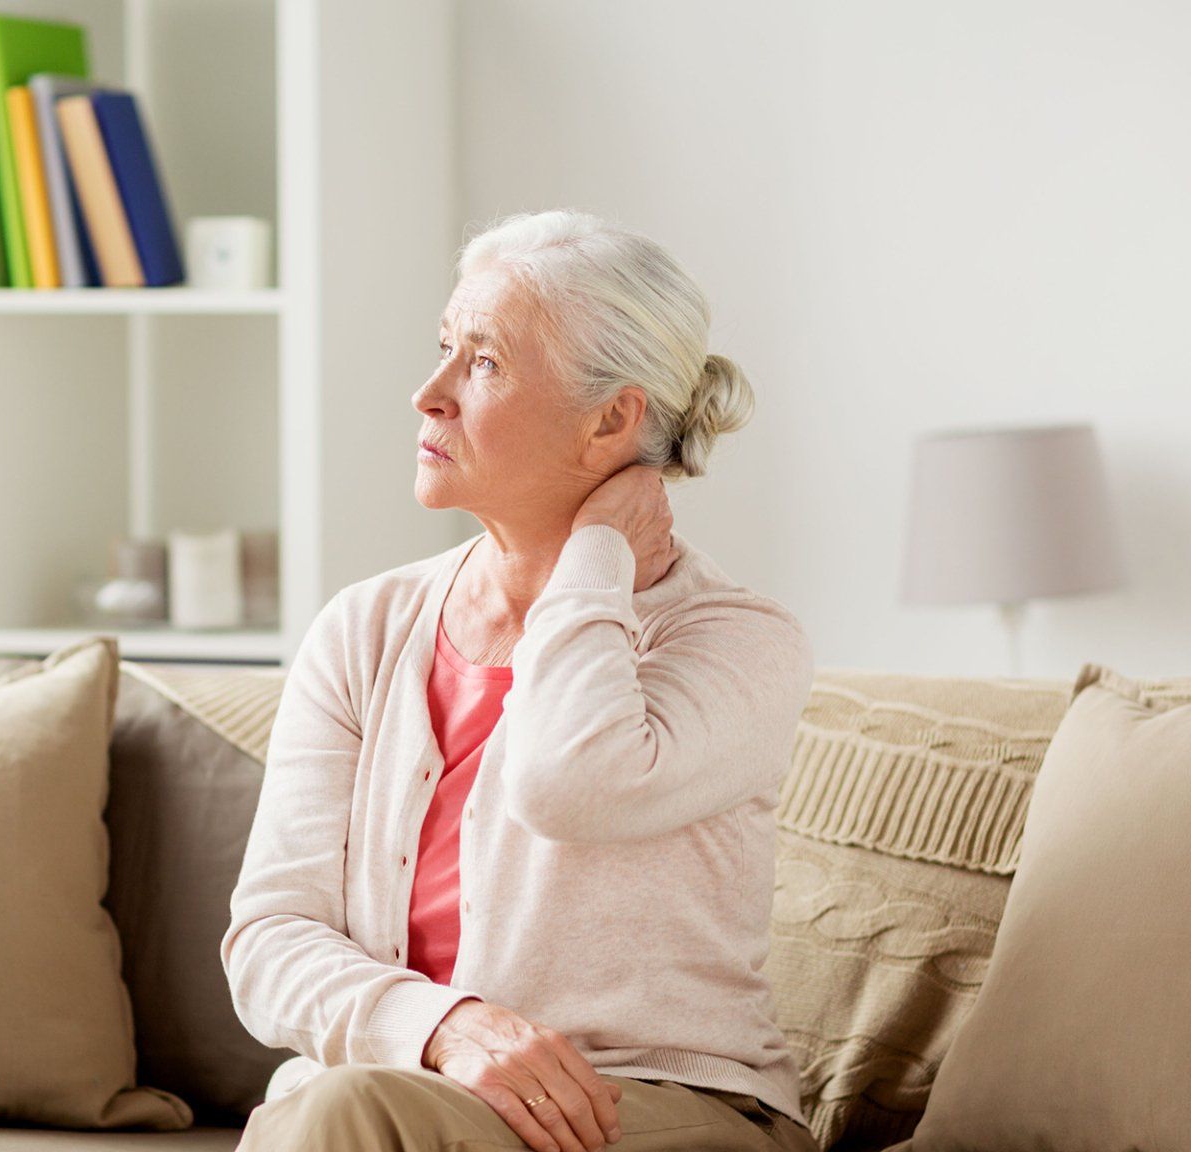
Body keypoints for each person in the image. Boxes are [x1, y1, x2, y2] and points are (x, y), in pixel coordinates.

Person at [220, 209, 818, 1152]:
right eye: (444, 349)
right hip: (410, 1098)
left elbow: (569, 781)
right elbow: (267, 942)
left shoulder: (739, 642)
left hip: (661, 1109)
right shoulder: (363, 630)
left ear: (612, 421)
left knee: (336, 1113)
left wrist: (593, 563)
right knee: (331, 1108)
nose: (429, 393)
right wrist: (441, 1029)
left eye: (484, 362)